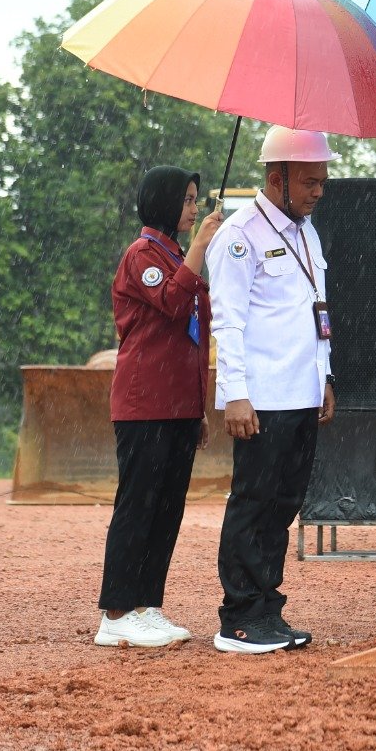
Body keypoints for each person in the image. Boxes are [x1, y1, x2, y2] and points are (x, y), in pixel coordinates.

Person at [208, 128, 339, 654]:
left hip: (302, 392)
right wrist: (234, 393)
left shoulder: (308, 233)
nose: (317, 192)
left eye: (322, 182)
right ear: (275, 177)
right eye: (309, 182)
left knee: (283, 505)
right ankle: (238, 617)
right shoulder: (240, 235)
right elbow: (228, 322)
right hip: (261, 398)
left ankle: (267, 609)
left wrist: (323, 376)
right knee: (253, 503)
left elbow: (316, 312)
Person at [95, 166, 224, 648]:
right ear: (165, 202)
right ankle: (116, 611)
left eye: (195, 200)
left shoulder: (174, 255)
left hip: (177, 405)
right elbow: (172, 303)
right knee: (138, 503)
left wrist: (198, 408)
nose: (194, 209)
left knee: (167, 508)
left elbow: (193, 337)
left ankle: (148, 605)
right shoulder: (142, 254)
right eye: (188, 200)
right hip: (144, 403)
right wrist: (199, 249)